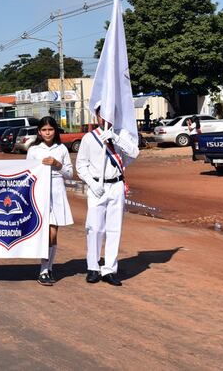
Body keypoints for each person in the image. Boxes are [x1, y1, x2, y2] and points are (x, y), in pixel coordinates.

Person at [76, 111, 139, 286]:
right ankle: (93, 267)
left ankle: (109, 269)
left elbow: (134, 153)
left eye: (109, 114)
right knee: (94, 228)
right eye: (101, 114)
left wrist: (115, 138)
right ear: (96, 115)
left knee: (114, 229)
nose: (105, 118)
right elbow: (81, 165)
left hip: (117, 184)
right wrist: (91, 182)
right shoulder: (89, 138)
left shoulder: (122, 134)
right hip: (97, 186)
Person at [26, 116, 74, 285]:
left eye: (51, 129)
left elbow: (70, 174)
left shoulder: (61, 149)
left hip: (57, 192)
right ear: (39, 132)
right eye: (44, 130)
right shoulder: (33, 150)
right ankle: (44, 270)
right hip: (40, 193)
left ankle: (47, 268)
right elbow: (27, 173)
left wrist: (57, 164)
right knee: (45, 233)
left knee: (53, 233)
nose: (47, 133)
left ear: (55, 131)